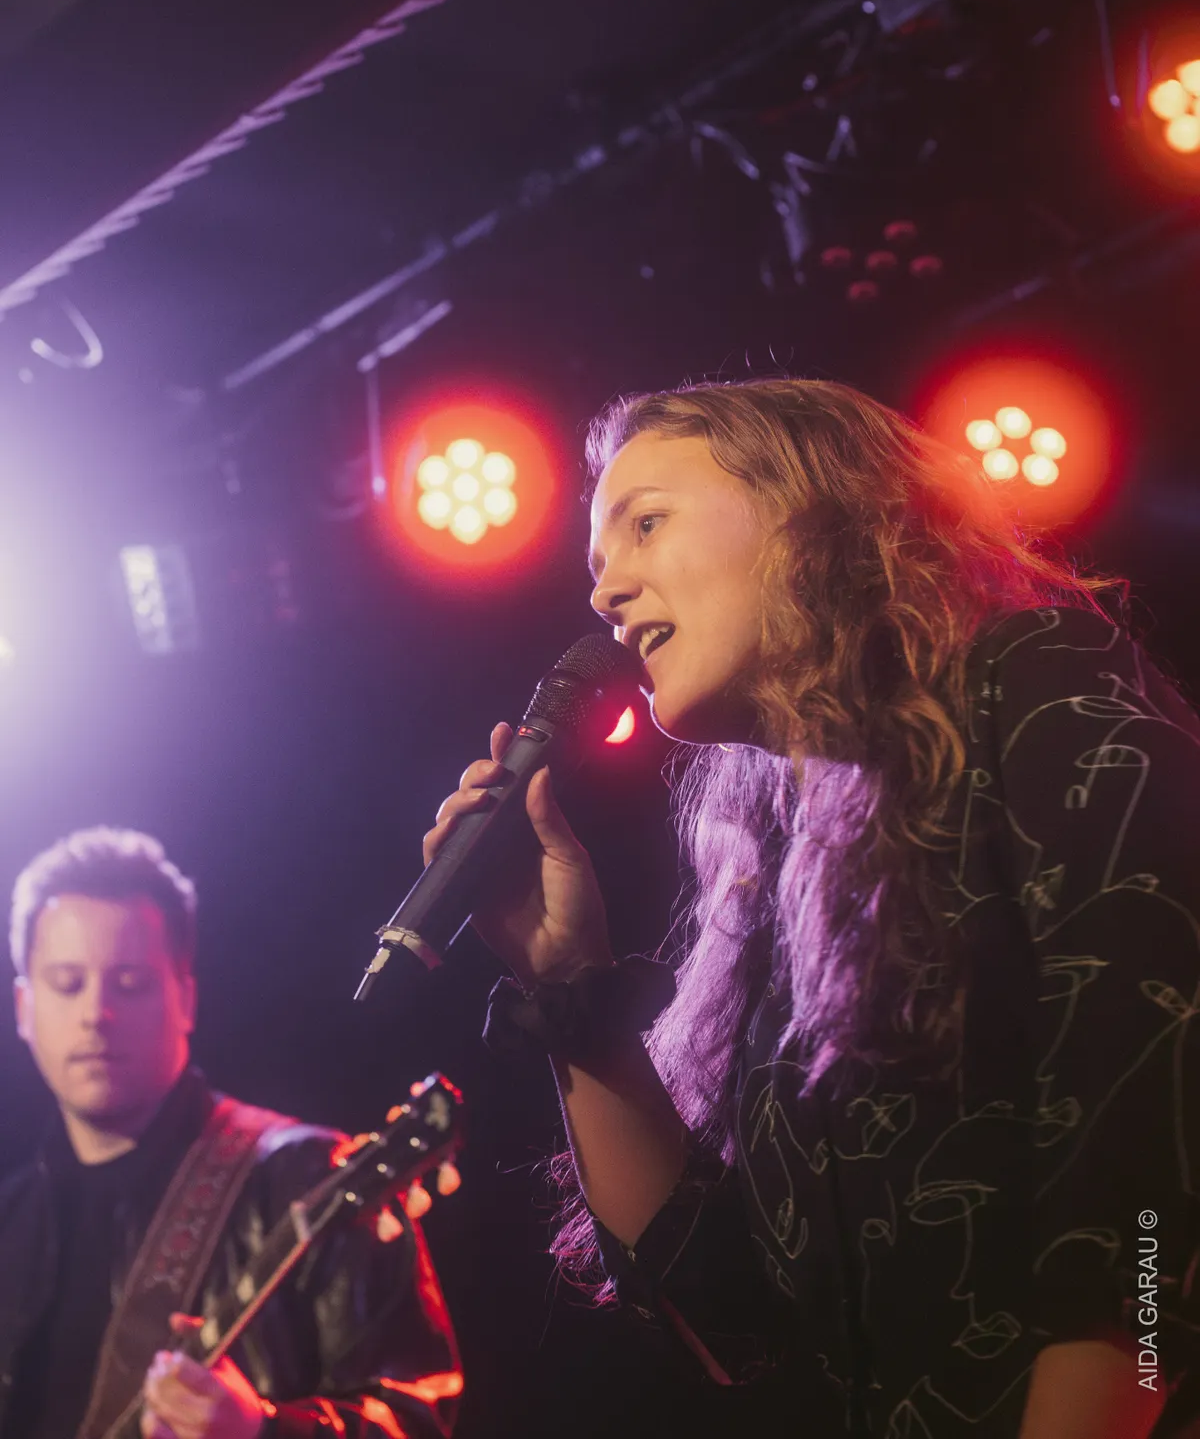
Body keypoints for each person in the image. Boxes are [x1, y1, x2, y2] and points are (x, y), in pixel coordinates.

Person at [424, 377, 1200, 1439]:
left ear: (808, 508)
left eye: (645, 524)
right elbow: (736, 1328)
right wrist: (569, 986)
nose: (606, 595)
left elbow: (1157, 1135)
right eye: (597, 567)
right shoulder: (779, 888)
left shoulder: (1032, 677)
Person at [0, 826, 461, 1439]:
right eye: (66, 983)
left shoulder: (310, 1177)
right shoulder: (11, 1220)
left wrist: (258, 1431)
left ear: (185, 999)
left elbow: (416, 1419)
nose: (95, 1013)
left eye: (129, 982)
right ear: (24, 1008)